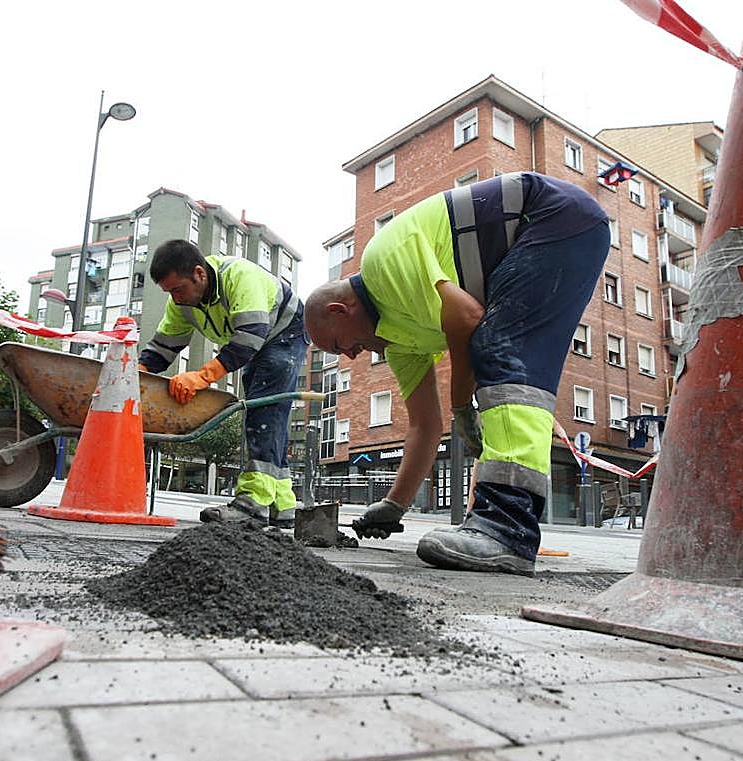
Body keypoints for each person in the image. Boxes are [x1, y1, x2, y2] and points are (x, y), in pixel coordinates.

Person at [304, 171, 610, 575]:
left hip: (552, 217)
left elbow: (467, 317)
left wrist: (462, 403)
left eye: (339, 346)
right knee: (497, 346)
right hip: (544, 239)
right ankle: (504, 527)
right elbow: (425, 426)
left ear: (339, 311)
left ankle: (507, 529)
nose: (351, 357)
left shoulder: (383, 264)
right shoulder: (397, 342)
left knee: (499, 346)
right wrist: (393, 505)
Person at [139, 239, 308, 527]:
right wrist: (134, 376)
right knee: (271, 411)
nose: (176, 298)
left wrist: (201, 377)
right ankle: (282, 504)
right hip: (258, 342)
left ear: (199, 274)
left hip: (284, 333)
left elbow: (248, 339)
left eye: (179, 289)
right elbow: (164, 347)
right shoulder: (181, 303)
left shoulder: (240, 277)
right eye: (169, 292)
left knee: (264, 412)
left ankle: (253, 503)